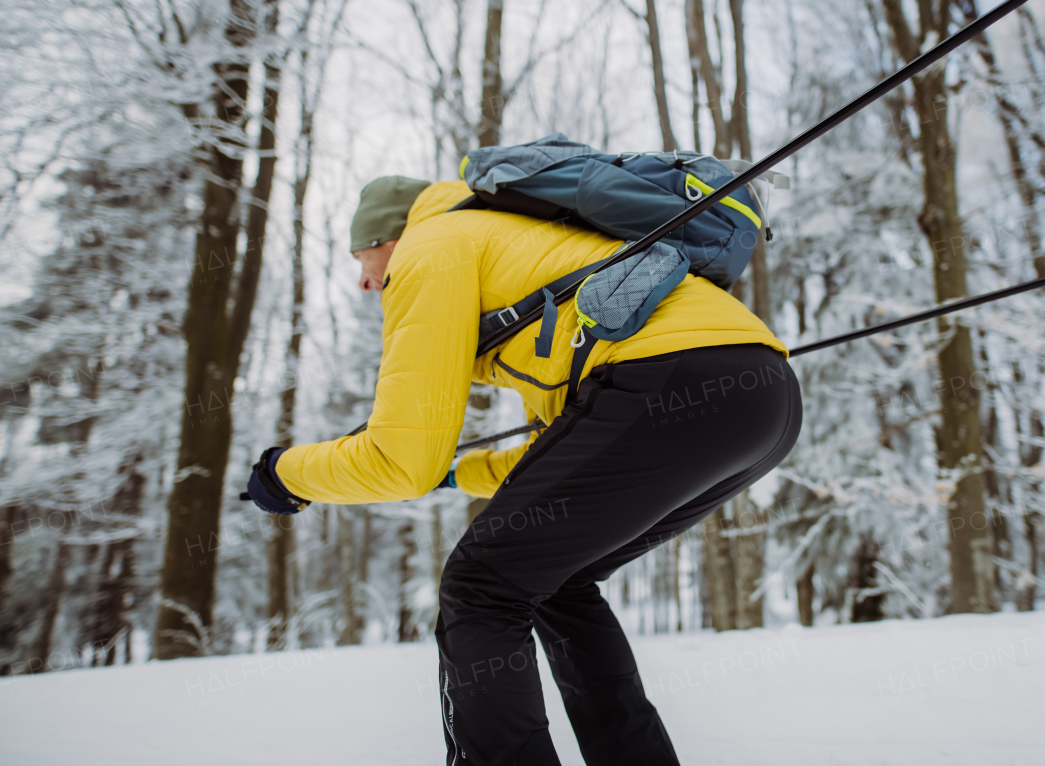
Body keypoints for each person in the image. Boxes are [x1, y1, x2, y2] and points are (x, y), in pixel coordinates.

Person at [245, 174, 803, 765]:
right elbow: (563, 455)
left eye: (364, 256)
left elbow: (400, 463)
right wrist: (458, 474)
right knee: (557, 579)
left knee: (480, 584)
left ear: (392, 237)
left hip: (669, 379)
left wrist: (283, 473)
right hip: (760, 400)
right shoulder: (512, 242)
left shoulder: (431, 245)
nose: (363, 279)